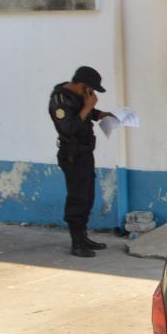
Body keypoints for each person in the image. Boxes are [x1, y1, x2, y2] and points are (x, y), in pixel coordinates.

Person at [48, 66, 114, 257]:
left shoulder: (76, 97)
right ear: (83, 86)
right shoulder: (59, 100)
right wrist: (87, 108)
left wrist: (99, 114)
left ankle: (83, 237)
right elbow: (68, 128)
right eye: (91, 89)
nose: (92, 94)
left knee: (87, 197)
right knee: (78, 199)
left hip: (84, 154)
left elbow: (84, 114)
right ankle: (77, 243)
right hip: (72, 155)